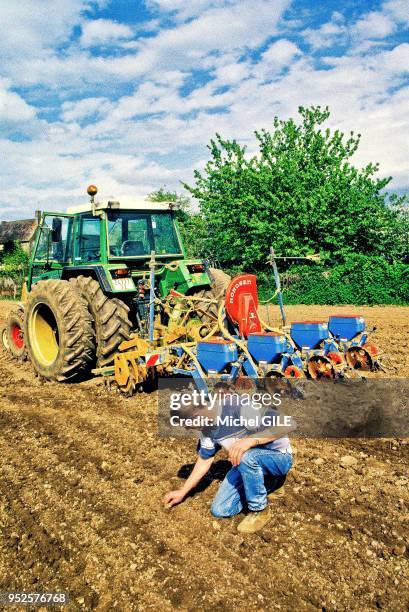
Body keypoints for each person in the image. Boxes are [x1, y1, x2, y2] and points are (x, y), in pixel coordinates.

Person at [164, 382, 294, 533]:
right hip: (248, 464)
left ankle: (260, 511)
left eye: (187, 425)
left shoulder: (238, 407)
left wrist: (251, 440)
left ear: (196, 415)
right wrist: (183, 491)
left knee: (245, 456)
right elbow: (204, 461)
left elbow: (289, 423)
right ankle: (271, 483)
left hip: (278, 458)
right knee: (220, 509)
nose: (187, 429)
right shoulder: (207, 431)